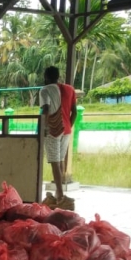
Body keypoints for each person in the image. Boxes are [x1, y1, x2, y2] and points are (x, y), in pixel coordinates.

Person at [39, 66, 76, 210]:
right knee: (60, 160)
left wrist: (45, 128)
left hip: (53, 130)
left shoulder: (45, 89)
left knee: (54, 162)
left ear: (46, 76)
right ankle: (59, 194)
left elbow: (46, 110)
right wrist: (67, 128)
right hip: (66, 129)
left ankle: (60, 196)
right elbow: (75, 113)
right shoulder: (70, 89)